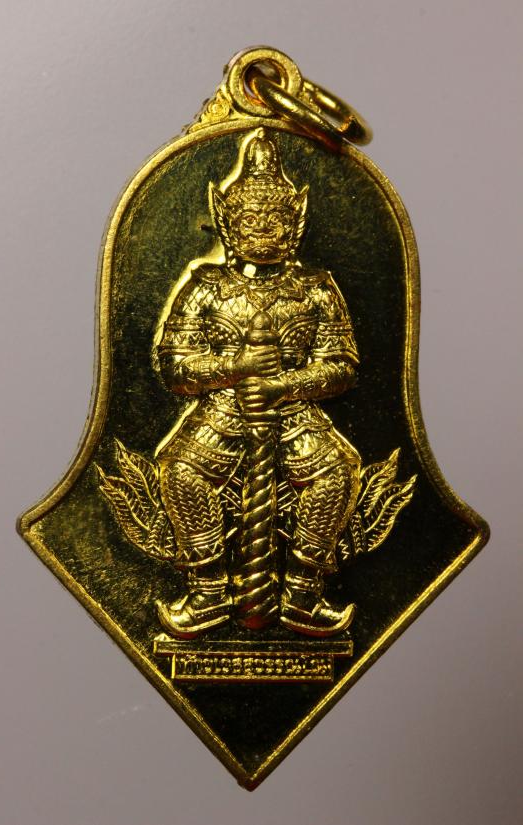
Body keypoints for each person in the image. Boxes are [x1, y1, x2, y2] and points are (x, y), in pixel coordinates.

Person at [154, 129, 361, 638]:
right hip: (224, 409)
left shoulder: (315, 288)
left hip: (293, 410)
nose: (263, 230)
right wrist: (238, 367)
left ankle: (303, 593)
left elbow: (341, 366)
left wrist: (283, 386)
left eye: (276, 220)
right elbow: (175, 367)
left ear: (296, 223)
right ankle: (208, 591)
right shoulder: (205, 287)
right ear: (227, 223)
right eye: (250, 220)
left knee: (338, 472)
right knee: (179, 470)